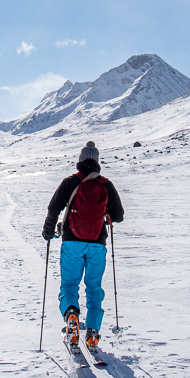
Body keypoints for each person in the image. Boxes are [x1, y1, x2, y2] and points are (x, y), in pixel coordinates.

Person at [42, 140, 124, 349]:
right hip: (97, 244)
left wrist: (48, 231)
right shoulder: (105, 184)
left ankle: (71, 315)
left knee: (69, 284)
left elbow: (54, 208)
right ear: (97, 162)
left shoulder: (70, 181)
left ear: (80, 160)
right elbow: (119, 216)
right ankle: (93, 332)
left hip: (71, 242)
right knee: (94, 287)